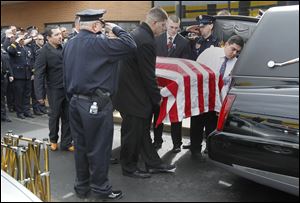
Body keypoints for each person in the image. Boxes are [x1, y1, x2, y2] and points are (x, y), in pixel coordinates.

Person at [63, 9, 136, 200]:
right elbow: (130, 45)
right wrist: (118, 29)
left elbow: (66, 75)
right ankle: (101, 189)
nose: (103, 28)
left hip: (75, 102)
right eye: (101, 25)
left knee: (81, 147)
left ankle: (82, 187)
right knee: (99, 149)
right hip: (95, 104)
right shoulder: (99, 43)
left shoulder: (69, 43)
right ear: (95, 26)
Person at [114, 7, 176, 179]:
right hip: (133, 97)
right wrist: (158, 99)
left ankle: (154, 164)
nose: (164, 30)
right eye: (164, 26)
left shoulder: (136, 34)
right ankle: (129, 168)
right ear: (155, 23)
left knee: (141, 133)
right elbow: (148, 75)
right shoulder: (147, 41)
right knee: (132, 135)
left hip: (128, 93)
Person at [191, 35, 244, 157]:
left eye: (237, 51)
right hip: (202, 96)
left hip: (218, 101)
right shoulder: (210, 53)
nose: (234, 53)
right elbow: (196, 70)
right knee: (197, 125)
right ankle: (195, 150)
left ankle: (210, 150)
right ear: (226, 44)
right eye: (233, 49)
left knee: (212, 127)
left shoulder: (236, 64)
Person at [153, 14, 192, 153]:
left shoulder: (184, 43)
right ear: (166, 25)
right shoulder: (157, 40)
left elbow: (186, 65)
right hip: (158, 83)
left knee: (176, 114)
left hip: (175, 85)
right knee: (158, 113)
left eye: (176, 28)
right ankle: (157, 141)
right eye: (171, 27)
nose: (174, 30)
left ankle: (177, 143)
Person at [34, 27, 73, 152]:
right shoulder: (43, 52)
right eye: (56, 34)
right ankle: (53, 140)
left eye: (60, 34)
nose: (60, 36)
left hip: (67, 88)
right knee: (54, 116)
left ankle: (66, 142)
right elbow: (39, 74)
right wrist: (40, 95)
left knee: (68, 117)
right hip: (54, 90)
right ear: (48, 38)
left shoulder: (64, 48)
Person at [7, 34, 34, 119]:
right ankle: (20, 112)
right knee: (19, 95)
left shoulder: (27, 49)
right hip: (18, 76)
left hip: (27, 75)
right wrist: (17, 40)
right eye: (21, 39)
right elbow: (11, 50)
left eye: (23, 39)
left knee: (27, 95)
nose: (23, 40)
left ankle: (27, 111)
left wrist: (32, 73)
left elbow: (31, 62)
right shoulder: (15, 48)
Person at [1, 44, 12, 122]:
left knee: (2, 97)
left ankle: (3, 115)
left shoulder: (3, 51)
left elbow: (8, 64)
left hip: (3, 77)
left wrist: (10, 74)